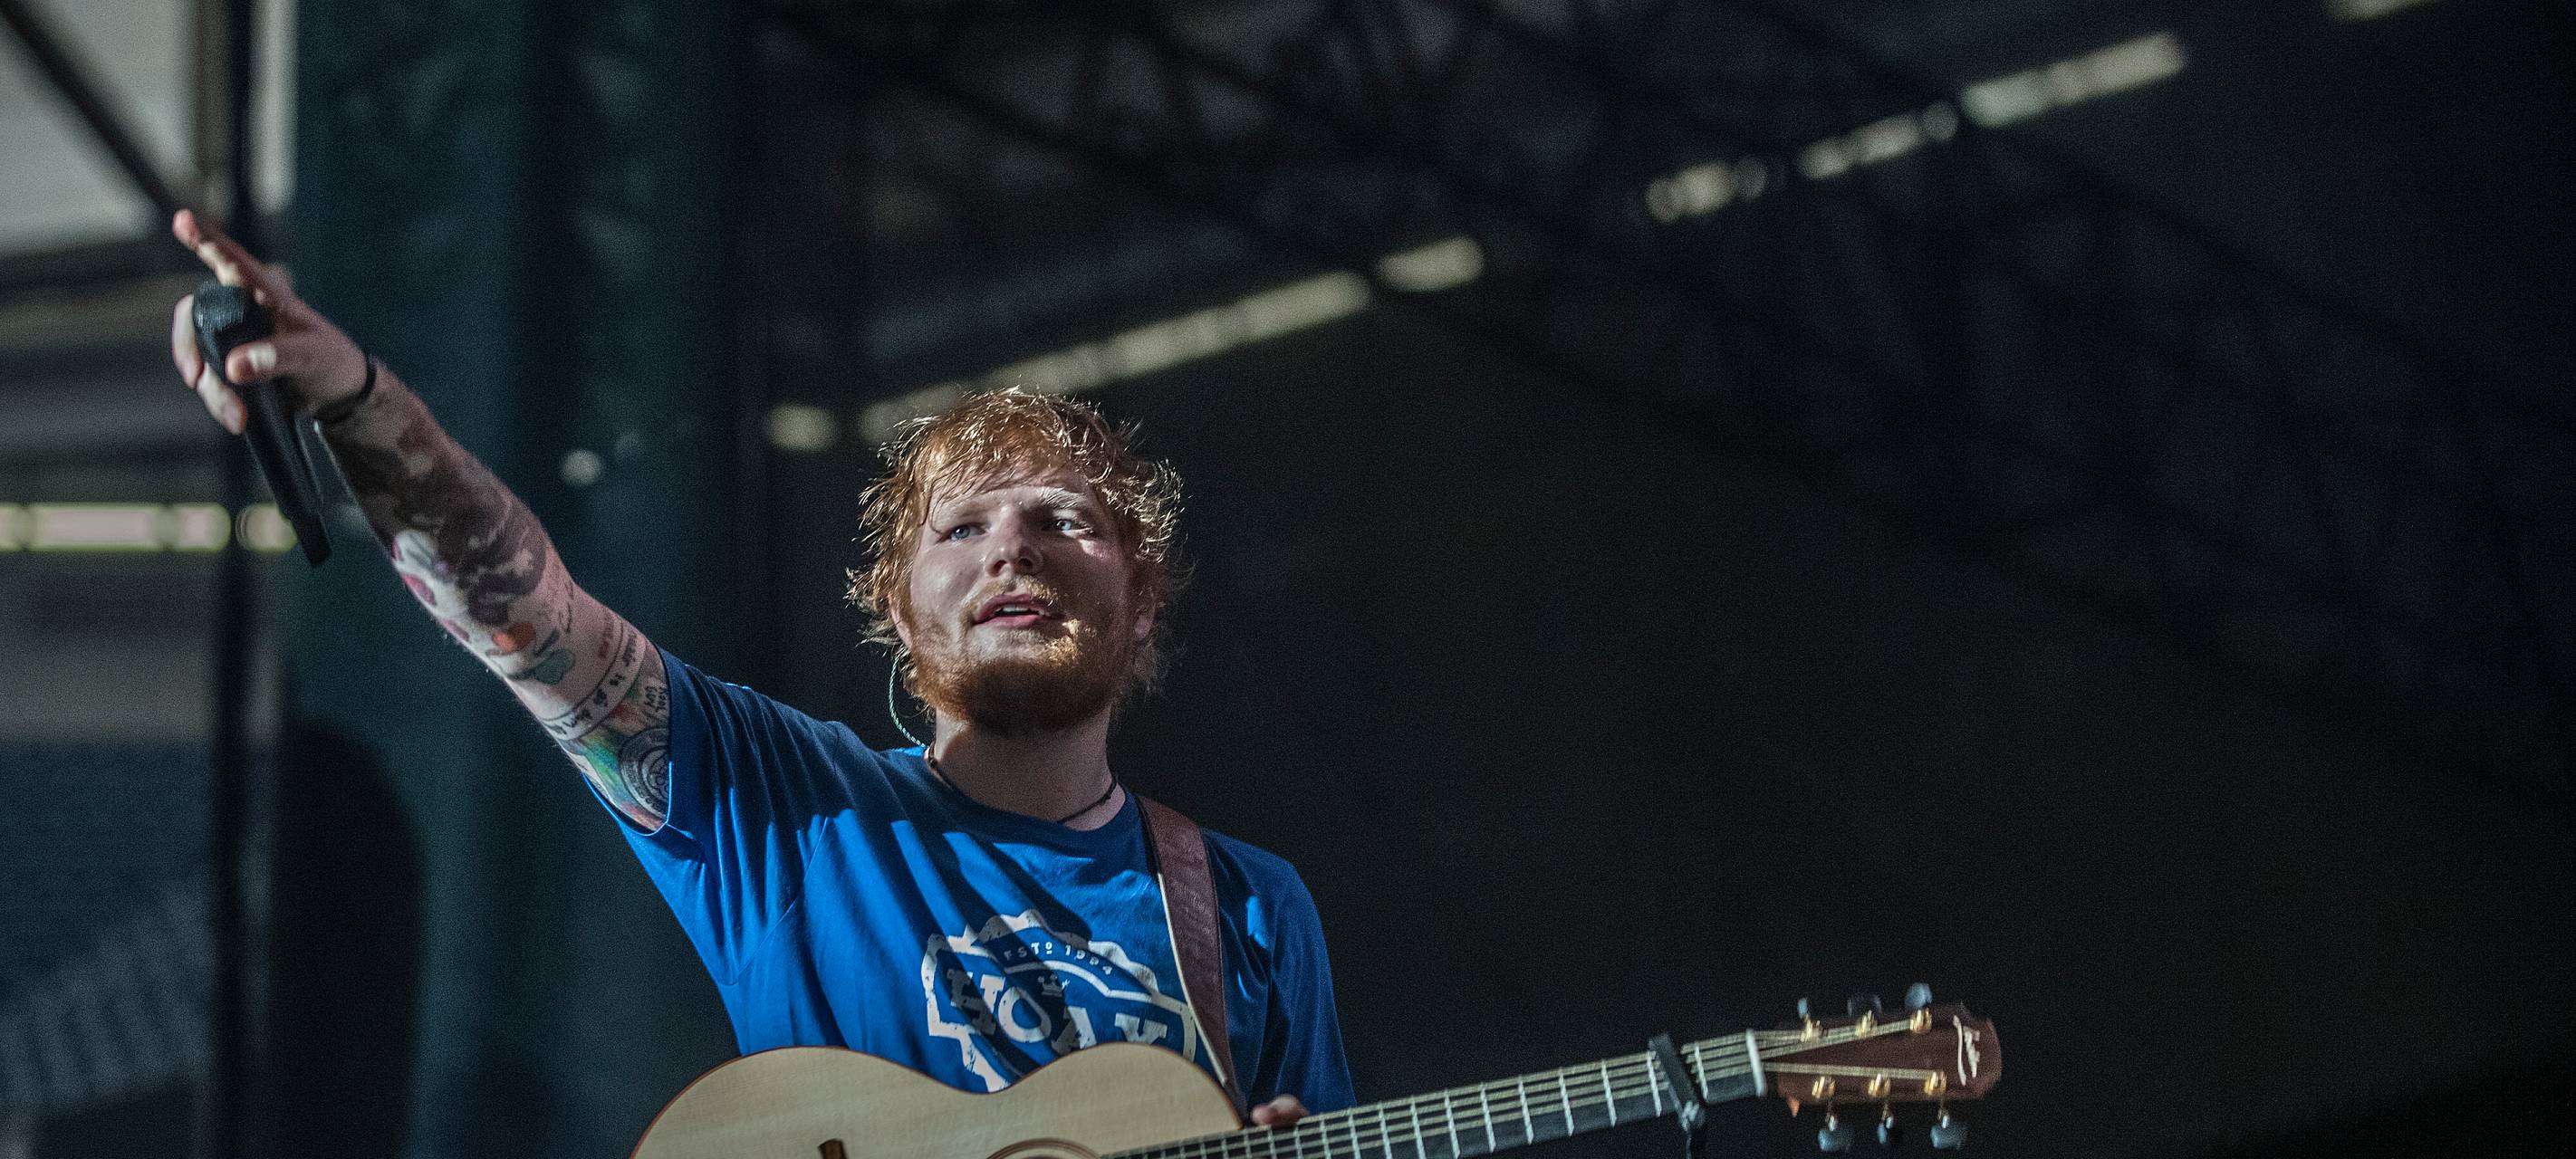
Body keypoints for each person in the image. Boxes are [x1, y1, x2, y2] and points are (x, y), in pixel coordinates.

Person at [165, 210, 1352, 1125]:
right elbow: (518, 610)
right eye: (964, 528)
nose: (1016, 547)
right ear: (899, 611)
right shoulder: (784, 806)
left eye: (1065, 521)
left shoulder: (1249, 907)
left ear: (1142, 610)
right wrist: (356, 402)